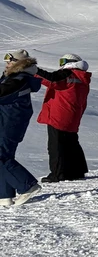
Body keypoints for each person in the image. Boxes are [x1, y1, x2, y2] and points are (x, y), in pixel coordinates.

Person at [0, 51, 45, 208]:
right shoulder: (13, 78)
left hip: (8, 123)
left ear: (19, 63)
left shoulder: (19, 79)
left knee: (1, 156)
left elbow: (2, 93)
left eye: (10, 61)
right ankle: (5, 195)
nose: (7, 63)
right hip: (7, 121)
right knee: (5, 156)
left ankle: (28, 186)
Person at [37, 55, 91, 181]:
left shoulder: (67, 74)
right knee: (71, 143)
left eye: (62, 61)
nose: (61, 65)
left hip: (59, 114)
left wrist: (34, 71)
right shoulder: (82, 77)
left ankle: (57, 174)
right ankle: (77, 171)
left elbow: (50, 80)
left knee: (56, 145)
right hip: (73, 115)